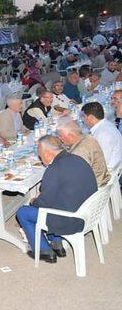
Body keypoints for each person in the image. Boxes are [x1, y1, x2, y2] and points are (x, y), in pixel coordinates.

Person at [16, 135, 97, 263]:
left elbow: (44, 203)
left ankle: (44, 251)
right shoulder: (78, 159)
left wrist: (33, 202)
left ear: (48, 153)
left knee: (23, 212)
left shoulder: (54, 169)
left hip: (70, 220)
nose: (40, 158)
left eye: (40, 155)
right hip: (87, 213)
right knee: (57, 201)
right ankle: (57, 244)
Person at [56, 118, 110, 187]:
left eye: (60, 136)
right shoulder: (88, 138)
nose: (60, 139)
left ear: (70, 136)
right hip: (100, 180)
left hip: (93, 189)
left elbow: (73, 180)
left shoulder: (79, 152)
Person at [82, 102, 122, 169]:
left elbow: (101, 163)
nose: (82, 120)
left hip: (109, 173)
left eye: (83, 116)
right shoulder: (106, 124)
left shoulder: (102, 134)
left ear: (91, 117)